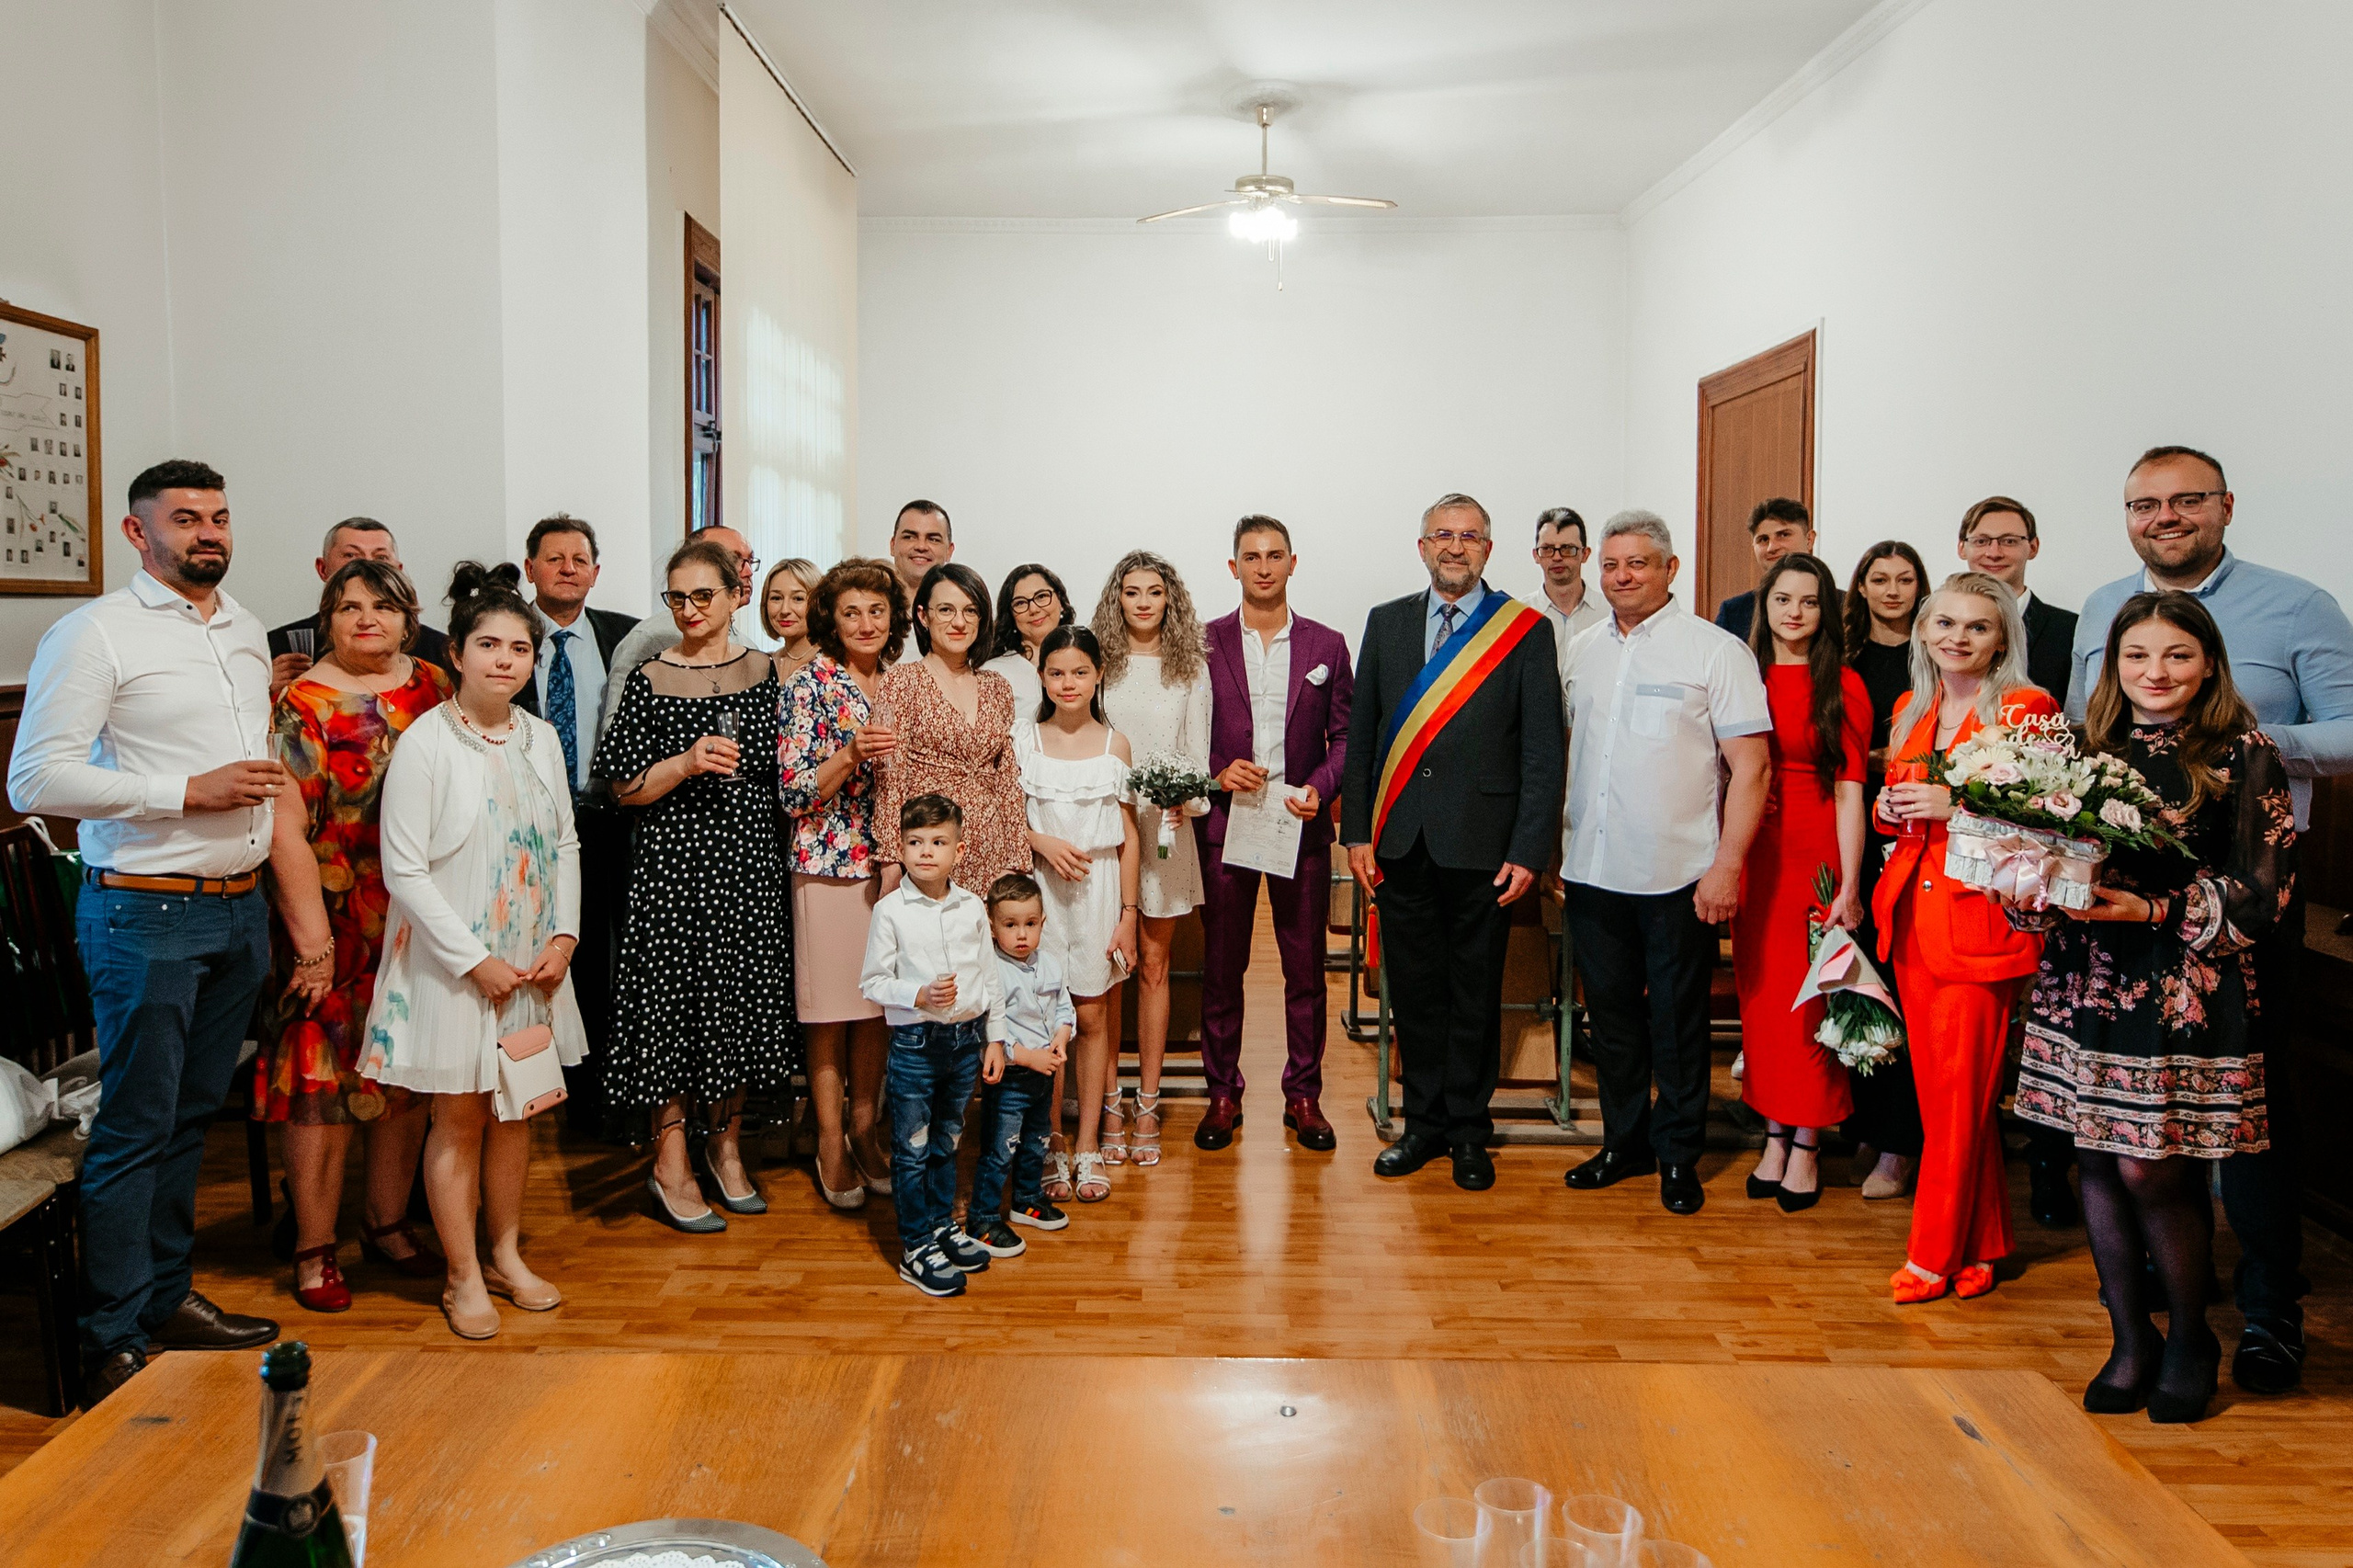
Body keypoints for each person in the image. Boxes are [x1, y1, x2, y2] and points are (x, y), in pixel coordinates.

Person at [2067, 444, 2353, 1395]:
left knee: (2251, 1120)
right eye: (2145, 503)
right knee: (2120, 1141)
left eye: (2186, 498)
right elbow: (2076, 751)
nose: (2166, 516)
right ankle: (2155, 1304)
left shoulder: (2298, 606)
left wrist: (2240, 747)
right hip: (2108, 935)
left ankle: (2268, 1312)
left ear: (2225, 505)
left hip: (2237, 911)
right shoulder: (2103, 607)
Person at [9, 459, 285, 1403]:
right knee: (135, 1125)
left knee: (190, 1119)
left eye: (219, 515)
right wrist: (186, 792)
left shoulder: (243, 628)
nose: (209, 532)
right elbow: (34, 778)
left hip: (238, 908)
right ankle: (112, 1336)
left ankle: (166, 1297)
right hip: (145, 910)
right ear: (138, 532)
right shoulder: (93, 633)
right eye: (185, 518)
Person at [2014, 593, 2293, 1425]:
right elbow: (2042, 864)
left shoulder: (2243, 752)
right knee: (2098, 1163)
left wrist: (2156, 909)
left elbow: (2266, 894)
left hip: (2183, 986)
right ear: (2113, 664)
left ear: (2208, 664)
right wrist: (2026, 890)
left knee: (2151, 1165)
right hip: (2085, 979)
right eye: (2137, 655)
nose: (2156, 672)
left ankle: (2191, 1339)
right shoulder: (2079, 748)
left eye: (2177, 655)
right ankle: (2130, 1339)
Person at [359, 562, 585, 1340]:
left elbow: (564, 843)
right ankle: (461, 1274)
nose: (504, 660)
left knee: (516, 1114)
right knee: (457, 1120)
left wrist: (564, 936)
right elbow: (404, 872)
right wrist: (473, 962)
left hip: (530, 962)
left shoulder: (542, 737)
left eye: (519, 648)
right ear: (455, 653)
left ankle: (506, 1254)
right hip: (454, 965)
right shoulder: (425, 742)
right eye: (488, 645)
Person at [1340, 493, 1563, 1191]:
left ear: (1488, 550)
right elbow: (1363, 737)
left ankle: (1469, 1129)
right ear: (1423, 547)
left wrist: (1528, 850)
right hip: (1401, 843)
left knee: (1474, 993)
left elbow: (1542, 752)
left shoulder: (1524, 631)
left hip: (1485, 848)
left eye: (1469, 536)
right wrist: (1356, 833)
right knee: (1413, 992)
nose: (1455, 547)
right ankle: (1423, 1125)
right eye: (1443, 535)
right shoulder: (1387, 623)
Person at [1558, 511, 1770, 1214]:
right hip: (1592, 868)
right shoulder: (1582, 649)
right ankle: (1624, 1142)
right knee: (1611, 1019)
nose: (1622, 576)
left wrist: (1728, 866)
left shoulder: (1715, 651)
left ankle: (1678, 1154)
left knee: (1678, 1023)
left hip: (1681, 873)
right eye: (1611, 564)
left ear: (1670, 569)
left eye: (1638, 563)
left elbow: (1753, 768)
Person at [256, 558, 448, 1312]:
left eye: (383, 606)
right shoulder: (299, 703)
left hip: (417, 916)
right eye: (349, 606)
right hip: (330, 920)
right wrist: (313, 944)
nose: (367, 618)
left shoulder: (435, 685)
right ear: (326, 618)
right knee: (320, 1087)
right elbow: (284, 831)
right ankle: (314, 1247)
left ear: (409, 618)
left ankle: (386, 1224)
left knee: (405, 1077)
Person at [597, 537, 798, 1233]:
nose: (688, 609)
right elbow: (623, 788)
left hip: (748, 866)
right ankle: (670, 1160)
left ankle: (727, 1145)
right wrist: (683, 763)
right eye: (676, 597)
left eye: (702, 595)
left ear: (736, 597)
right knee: (671, 1010)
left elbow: (789, 772)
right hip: (674, 870)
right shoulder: (650, 677)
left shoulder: (766, 672)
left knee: (737, 1003)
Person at [1873, 572, 2056, 1303]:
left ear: (2002, 640)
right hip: (1911, 919)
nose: (1958, 637)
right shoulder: (1910, 707)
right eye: (1945, 623)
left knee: (1957, 1100)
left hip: (1980, 923)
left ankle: (1932, 1253)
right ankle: (1983, 1244)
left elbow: (2053, 822)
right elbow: (1899, 813)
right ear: (1923, 631)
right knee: (1952, 1099)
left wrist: (1954, 805)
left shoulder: (2028, 707)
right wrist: (1891, 808)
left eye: (1978, 626)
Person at [1195, 516, 1354, 1153]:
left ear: (1293, 563)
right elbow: (1185, 733)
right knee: (1221, 969)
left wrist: (1321, 786)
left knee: (1305, 971)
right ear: (1233, 567)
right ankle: (1222, 1093)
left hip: (1298, 824)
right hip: (1227, 825)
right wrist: (1216, 772)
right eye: (1251, 556)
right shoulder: (1203, 643)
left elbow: (1346, 737)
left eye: (1274, 555)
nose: (1264, 566)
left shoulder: (1327, 645)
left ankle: (1304, 1095)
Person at [1732, 554, 1866, 1212]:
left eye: (1809, 601)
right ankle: (1774, 1134)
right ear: (1765, 605)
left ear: (1826, 612)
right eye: (1783, 599)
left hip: (1817, 855)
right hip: (1755, 853)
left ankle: (1808, 1142)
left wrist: (1850, 885)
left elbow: (1849, 791)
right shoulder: (1742, 674)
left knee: (1812, 1004)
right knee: (1762, 1002)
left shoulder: (1843, 683)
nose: (1795, 612)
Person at [776, 559, 907, 1209]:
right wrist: (851, 753)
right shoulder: (809, 684)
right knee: (829, 1012)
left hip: (894, 867)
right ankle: (830, 1141)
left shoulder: (902, 681)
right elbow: (794, 792)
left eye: (876, 611)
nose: (865, 623)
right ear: (831, 618)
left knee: (877, 1009)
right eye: (851, 612)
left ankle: (864, 1131)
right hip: (827, 863)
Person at [510, 513, 641, 1139]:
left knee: (603, 963)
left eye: (579, 559)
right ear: (530, 568)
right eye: (554, 558)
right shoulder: (506, 636)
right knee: (533, 958)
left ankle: (596, 1100)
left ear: (595, 572)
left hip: (608, 822)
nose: (567, 568)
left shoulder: (628, 637)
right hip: (525, 827)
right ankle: (530, 1092)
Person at [858, 794, 1009, 1297]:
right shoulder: (890, 911)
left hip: (965, 1044)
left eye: (938, 842)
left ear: (958, 851)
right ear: (900, 848)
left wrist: (995, 1039)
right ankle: (916, 1244)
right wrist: (917, 995)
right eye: (915, 842)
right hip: (916, 1047)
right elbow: (872, 982)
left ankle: (942, 1225)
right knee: (913, 1148)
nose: (926, 852)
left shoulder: (972, 908)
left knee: (948, 1139)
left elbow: (990, 978)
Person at [1094, 550, 1212, 1169]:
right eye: (1132, 592)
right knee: (1112, 966)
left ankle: (1147, 1102)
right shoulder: (1100, 663)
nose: (1143, 602)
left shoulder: (1190, 667)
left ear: (1171, 600)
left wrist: (1183, 799)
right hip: (1107, 829)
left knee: (1155, 965)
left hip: (1165, 830)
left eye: (1155, 592)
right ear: (1117, 599)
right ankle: (1108, 1100)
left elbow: (1199, 758)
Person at [1016, 624, 1142, 1203]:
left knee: (1091, 1016)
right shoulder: (1026, 740)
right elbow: (1007, 816)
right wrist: (1040, 843)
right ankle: (1051, 1141)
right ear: (1042, 677)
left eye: (1080, 672)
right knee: (1045, 1018)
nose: (1069, 683)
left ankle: (1089, 1141)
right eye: (1057, 673)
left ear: (1098, 676)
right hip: (1040, 892)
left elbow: (1129, 836)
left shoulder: (1116, 744)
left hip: (1099, 890)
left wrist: (1129, 913)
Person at [1839, 540, 1929, 1199]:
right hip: (1851, 833)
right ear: (1862, 588)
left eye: (1905, 579)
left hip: (1917, 834)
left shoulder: (1934, 657)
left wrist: (1889, 763)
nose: (1893, 590)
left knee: (1903, 986)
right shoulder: (1843, 658)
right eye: (1880, 579)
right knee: (1859, 985)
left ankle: (1901, 1142)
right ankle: (1866, 1122)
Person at [872, 562, 1030, 896]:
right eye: (946, 610)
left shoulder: (997, 687)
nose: (959, 622)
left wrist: (1016, 860)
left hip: (992, 854)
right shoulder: (899, 682)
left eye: (970, 611)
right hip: (928, 853)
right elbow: (888, 775)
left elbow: (1007, 780)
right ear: (923, 616)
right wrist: (889, 858)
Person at [968, 871, 1075, 1254]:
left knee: (1036, 1141)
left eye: (1030, 924)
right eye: (1010, 925)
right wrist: (1029, 1057)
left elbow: (1063, 1007)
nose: (1021, 935)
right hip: (1011, 1080)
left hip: (1043, 1078)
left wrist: (1061, 1036)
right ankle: (982, 1217)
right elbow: (990, 1033)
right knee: (1001, 1150)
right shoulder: (992, 972)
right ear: (992, 926)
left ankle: (1026, 1199)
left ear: (1043, 922)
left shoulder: (1050, 964)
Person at [595, 525, 760, 740]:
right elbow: (616, 736)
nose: (747, 572)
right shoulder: (651, 638)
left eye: (750, 561)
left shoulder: (750, 650)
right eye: (733, 559)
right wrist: (687, 756)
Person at [267, 517, 454, 695]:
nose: (367, 566)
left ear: (398, 572)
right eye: (351, 556)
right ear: (322, 568)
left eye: (381, 557)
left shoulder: (440, 651)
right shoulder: (278, 646)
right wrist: (262, 686)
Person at [1960, 495, 2076, 702]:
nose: (1994, 553)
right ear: (1962, 548)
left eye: (2009, 541)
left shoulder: (2071, 630)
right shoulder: (1939, 630)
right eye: (1981, 541)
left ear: (2033, 547)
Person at [1711, 497, 1813, 641]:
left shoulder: (1841, 605)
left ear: (1809, 540)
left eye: (1783, 535)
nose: (1772, 547)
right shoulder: (1734, 613)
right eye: (1764, 539)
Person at [983, 562, 1075, 716]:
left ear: (1060, 601)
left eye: (1042, 596)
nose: (1033, 609)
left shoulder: (1088, 661)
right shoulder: (993, 674)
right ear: (1010, 615)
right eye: (1020, 603)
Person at [1531, 506, 1607, 674]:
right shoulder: (1521, 616)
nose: (1557, 557)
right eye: (1547, 549)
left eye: (1568, 549)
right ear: (1536, 555)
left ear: (1585, 554)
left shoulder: (1609, 613)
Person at [888, 500, 954, 660]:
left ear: (949, 551)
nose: (921, 546)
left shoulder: (963, 617)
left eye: (933, 539)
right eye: (910, 537)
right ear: (892, 545)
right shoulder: (870, 615)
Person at [761, 556, 823, 687]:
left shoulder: (834, 663)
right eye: (776, 598)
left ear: (818, 604)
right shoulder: (763, 665)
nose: (785, 610)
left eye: (798, 598)